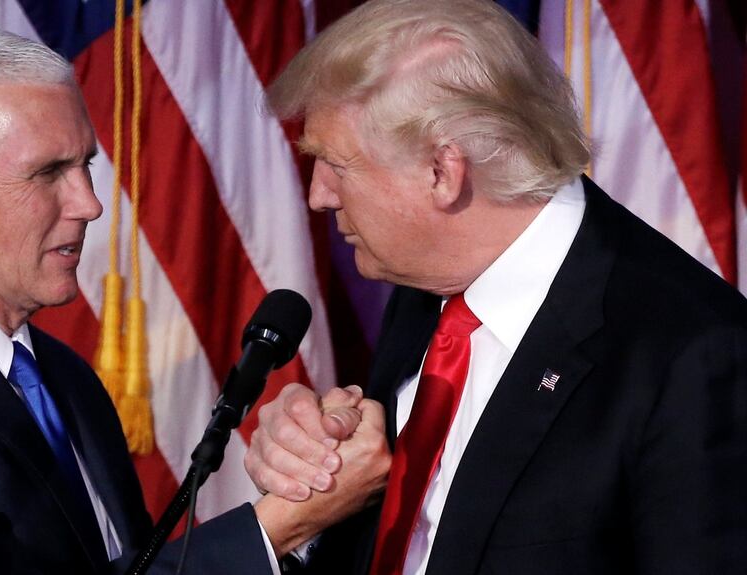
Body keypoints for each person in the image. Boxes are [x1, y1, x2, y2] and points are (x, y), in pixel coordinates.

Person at [0, 24, 389, 575]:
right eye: (47, 172)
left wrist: (310, 504)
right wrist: (271, 531)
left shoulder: (61, 377)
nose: (89, 203)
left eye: (85, 165)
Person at [243, 1, 747, 574]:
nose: (319, 196)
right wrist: (313, 494)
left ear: (442, 171)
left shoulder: (694, 357)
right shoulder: (424, 285)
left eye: (335, 163)